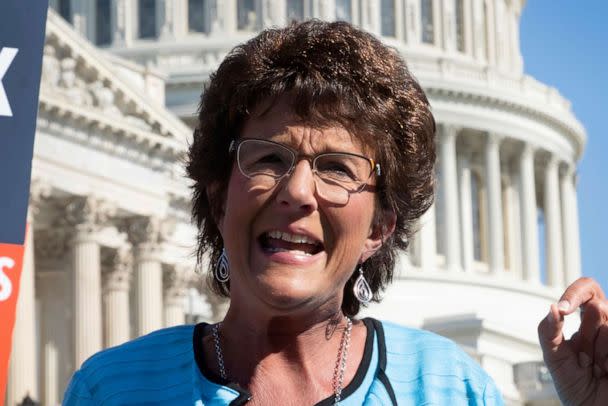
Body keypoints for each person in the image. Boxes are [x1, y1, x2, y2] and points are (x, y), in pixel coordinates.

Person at [63, 20, 607, 405]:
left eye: (338, 169)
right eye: (268, 157)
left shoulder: (447, 389)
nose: (298, 191)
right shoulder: (113, 389)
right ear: (216, 193)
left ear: (380, 226)